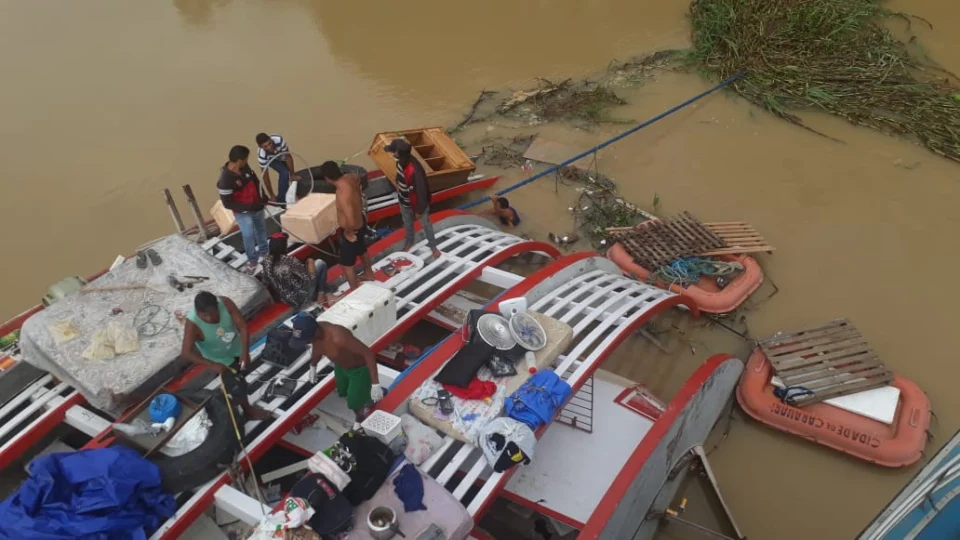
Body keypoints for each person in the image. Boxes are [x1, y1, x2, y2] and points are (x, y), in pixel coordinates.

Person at [180, 292, 272, 420]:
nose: (209, 318)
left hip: (236, 348)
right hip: (220, 360)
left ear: (217, 306)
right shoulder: (192, 324)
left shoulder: (226, 303)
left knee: (243, 372)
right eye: (204, 316)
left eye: (212, 313)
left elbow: (242, 326)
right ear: (197, 312)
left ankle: (233, 397)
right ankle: (248, 411)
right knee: (238, 385)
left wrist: (245, 352)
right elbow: (186, 353)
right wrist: (211, 364)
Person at [290, 313, 383, 429]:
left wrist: (375, 383)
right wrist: (313, 366)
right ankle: (367, 394)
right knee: (343, 391)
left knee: (353, 401)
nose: (307, 342)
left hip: (359, 370)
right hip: (341, 366)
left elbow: (368, 354)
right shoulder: (316, 332)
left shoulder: (339, 337)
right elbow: (318, 348)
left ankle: (360, 419)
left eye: (307, 340)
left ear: (315, 333)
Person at [383, 139, 442, 258]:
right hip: (404, 201)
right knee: (407, 223)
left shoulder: (414, 169)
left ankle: (433, 247)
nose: (392, 154)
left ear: (398, 153)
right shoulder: (400, 162)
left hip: (417, 205)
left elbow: (422, 191)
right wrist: (399, 186)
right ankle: (409, 242)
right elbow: (399, 177)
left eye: (393, 152)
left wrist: (420, 210)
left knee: (426, 225)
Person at [320, 161, 374, 290]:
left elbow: (349, 216)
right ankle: (368, 273)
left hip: (352, 229)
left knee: (346, 265)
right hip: (361, 221)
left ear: (327, 178)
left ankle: (355, 289)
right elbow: (357, 177)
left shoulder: (341, 193)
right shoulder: (350, 177)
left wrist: (347, 232)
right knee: (361, 249)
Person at [218, 145, 269, 273]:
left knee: (261, 229)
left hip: (257, 206)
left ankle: (264, 252)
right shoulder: (225, 180)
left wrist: (262, 196)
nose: (247, 161)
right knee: (248, 235)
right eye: (246, 159)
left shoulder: (245, 168)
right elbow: (227, 203)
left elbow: (255, 181)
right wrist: (248, 207)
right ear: (240, 160)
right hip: (243, 213)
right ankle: (252, 260)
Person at [261, 233, 336, 307]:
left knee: (312, 271)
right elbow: (309, 278)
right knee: (320, 263)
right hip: (302, 297)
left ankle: (325, 292)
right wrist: (310, 262)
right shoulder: (289, 261)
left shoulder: (266, 261)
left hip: (286, 298)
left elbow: (266, 280)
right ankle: (322, 293)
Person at [255, 133, 299, 205]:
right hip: (271, 159)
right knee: (284, 172)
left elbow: (288, 157)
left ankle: (288, 195)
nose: (269, 147)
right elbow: (265, 176)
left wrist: (292, 174)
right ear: (260, 147)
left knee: (288, 174)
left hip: (281, 155)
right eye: (266, 146)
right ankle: (282, 201)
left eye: (270, 143)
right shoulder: (262, 155)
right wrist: (271, 195)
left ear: (271, 139)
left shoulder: (279, 140)